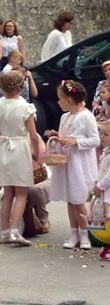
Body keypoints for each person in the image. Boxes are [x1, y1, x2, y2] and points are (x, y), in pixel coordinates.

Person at [0, 71, 40, 246]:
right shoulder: (25, 107)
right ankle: (14, 231)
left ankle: (4, 231)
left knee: (8, 193)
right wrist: (37, 153)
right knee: (21, 193)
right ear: (21, 86)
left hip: (3, 147)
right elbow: (33, 135)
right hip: (19, 147)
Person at [48, 80, 99, 250]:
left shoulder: (86, 116)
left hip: (79, 163)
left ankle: (86, 234)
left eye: (60, 99)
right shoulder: (65, 117)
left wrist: (75, 141)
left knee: (78, 199)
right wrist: (58, 137)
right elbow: (65, 135)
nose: (58, 102)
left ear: (69, 100)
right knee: (70, 199)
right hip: (66, 162)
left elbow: (95, 140)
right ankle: (74, 233)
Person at [93, 122, 110, 261]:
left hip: (108, 193)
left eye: (106, 134)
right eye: (101, 133)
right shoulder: (106, 152)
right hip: (105, 194)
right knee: (106, 219)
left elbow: (109, 176)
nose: (102, 137)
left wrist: (100, 186)